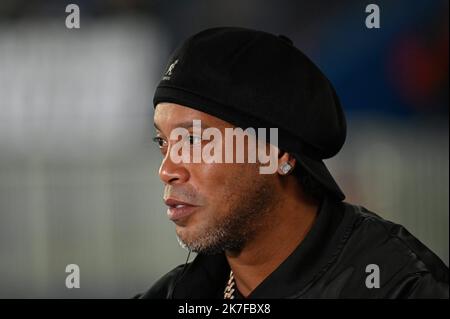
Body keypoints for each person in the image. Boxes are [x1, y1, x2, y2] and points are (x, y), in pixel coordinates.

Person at [137, 27, 448, 298]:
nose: (167, 170)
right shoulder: (184, 291)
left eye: (193, 140)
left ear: (277, 152)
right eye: (163, 143)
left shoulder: (397, 286)